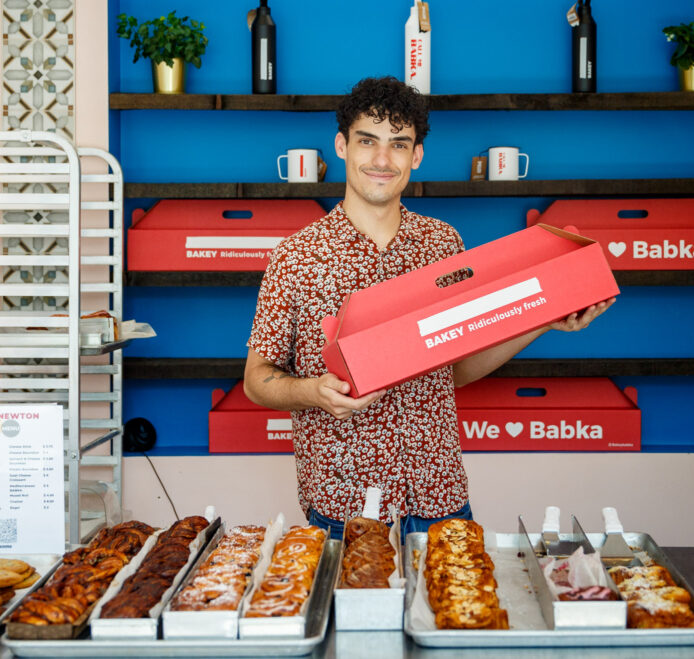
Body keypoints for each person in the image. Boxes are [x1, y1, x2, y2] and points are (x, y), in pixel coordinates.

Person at [243, 76, 614, 540]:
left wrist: (542, 320)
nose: (382, 160)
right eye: (367, 141)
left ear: (416, 155)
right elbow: (256, 379)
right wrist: (314, 392)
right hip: (342, 504)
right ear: (342, 146)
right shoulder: (296, 256)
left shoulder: (443, 244)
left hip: (439, 496)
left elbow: (454, 370)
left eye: (398, 144)